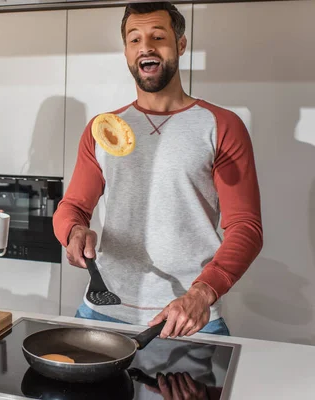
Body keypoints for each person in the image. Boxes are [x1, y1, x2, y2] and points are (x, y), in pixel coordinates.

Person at [53, 2, 263, 338]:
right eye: (134, 39)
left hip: (190, 318)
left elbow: (246, 227)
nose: (146, 47)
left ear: (180, 44)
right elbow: (73, 208)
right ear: (125, 52)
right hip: (103, 311)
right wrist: (73, 232)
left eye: (158, 37)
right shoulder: (103, 128)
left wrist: (202, 293)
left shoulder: (221, 125)